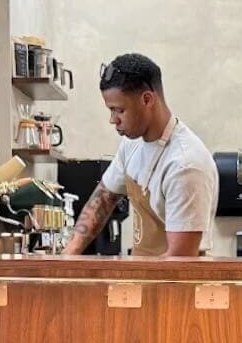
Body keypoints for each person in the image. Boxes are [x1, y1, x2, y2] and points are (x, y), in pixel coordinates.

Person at [63, 53, 218, 258]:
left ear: (147, 99)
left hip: (172, 284)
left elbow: (180, 262)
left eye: (119, 110)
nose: (113, 120)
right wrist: (68, 255)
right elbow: (103, 198)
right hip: (145, 273)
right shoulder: (131, 144)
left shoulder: (185, 165)